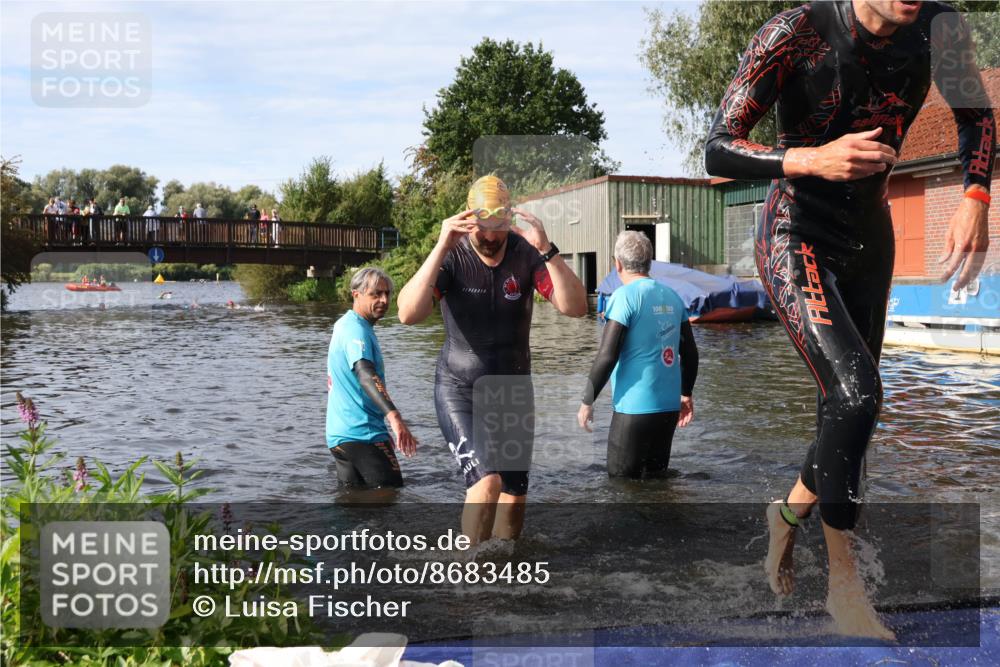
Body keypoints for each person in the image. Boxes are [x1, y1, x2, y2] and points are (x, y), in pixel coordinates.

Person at [704, 0, 995, 640]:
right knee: (858, 393)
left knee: (848, 415)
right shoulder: (796, 33)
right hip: (795, 228)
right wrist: (808, 159)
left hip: (869, 234)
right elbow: (717, 149)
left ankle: (783, 519)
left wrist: (976, 193)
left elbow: (976, 118)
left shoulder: (940, 29)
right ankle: (844, 587)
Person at [397, 175, 588, 543]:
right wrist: (440, 246)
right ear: (470, 221)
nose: (489, 238)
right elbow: (407, 314)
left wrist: (547, 250)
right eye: (482, 229)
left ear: (508, 221)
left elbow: (576, 307)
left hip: (513, 392)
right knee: (487, 483)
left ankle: (503, 580)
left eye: (497, 229)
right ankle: (468, 579)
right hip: (460, 389)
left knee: (513, 498)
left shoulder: (525, 252)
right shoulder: (452, 255)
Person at [577, 231, 698, 478]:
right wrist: (685, 394)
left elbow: (607, 356)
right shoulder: (672, 297)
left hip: (634, 409)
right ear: (649, 262)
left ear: (617, 264)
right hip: (668, 409)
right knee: (656, 484)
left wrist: (587, 401)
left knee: (621, 486)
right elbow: (690, 353)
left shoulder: (624, 297)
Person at [326, 267, 417, 489]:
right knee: (391, 499)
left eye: (387, 294)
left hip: (339, 435)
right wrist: (395, 418)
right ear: (356, 294)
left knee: (354, 506)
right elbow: (365, 373)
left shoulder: (346, 325)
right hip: (363, 434)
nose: (384, 300)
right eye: (375, 294)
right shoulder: (355, 331)